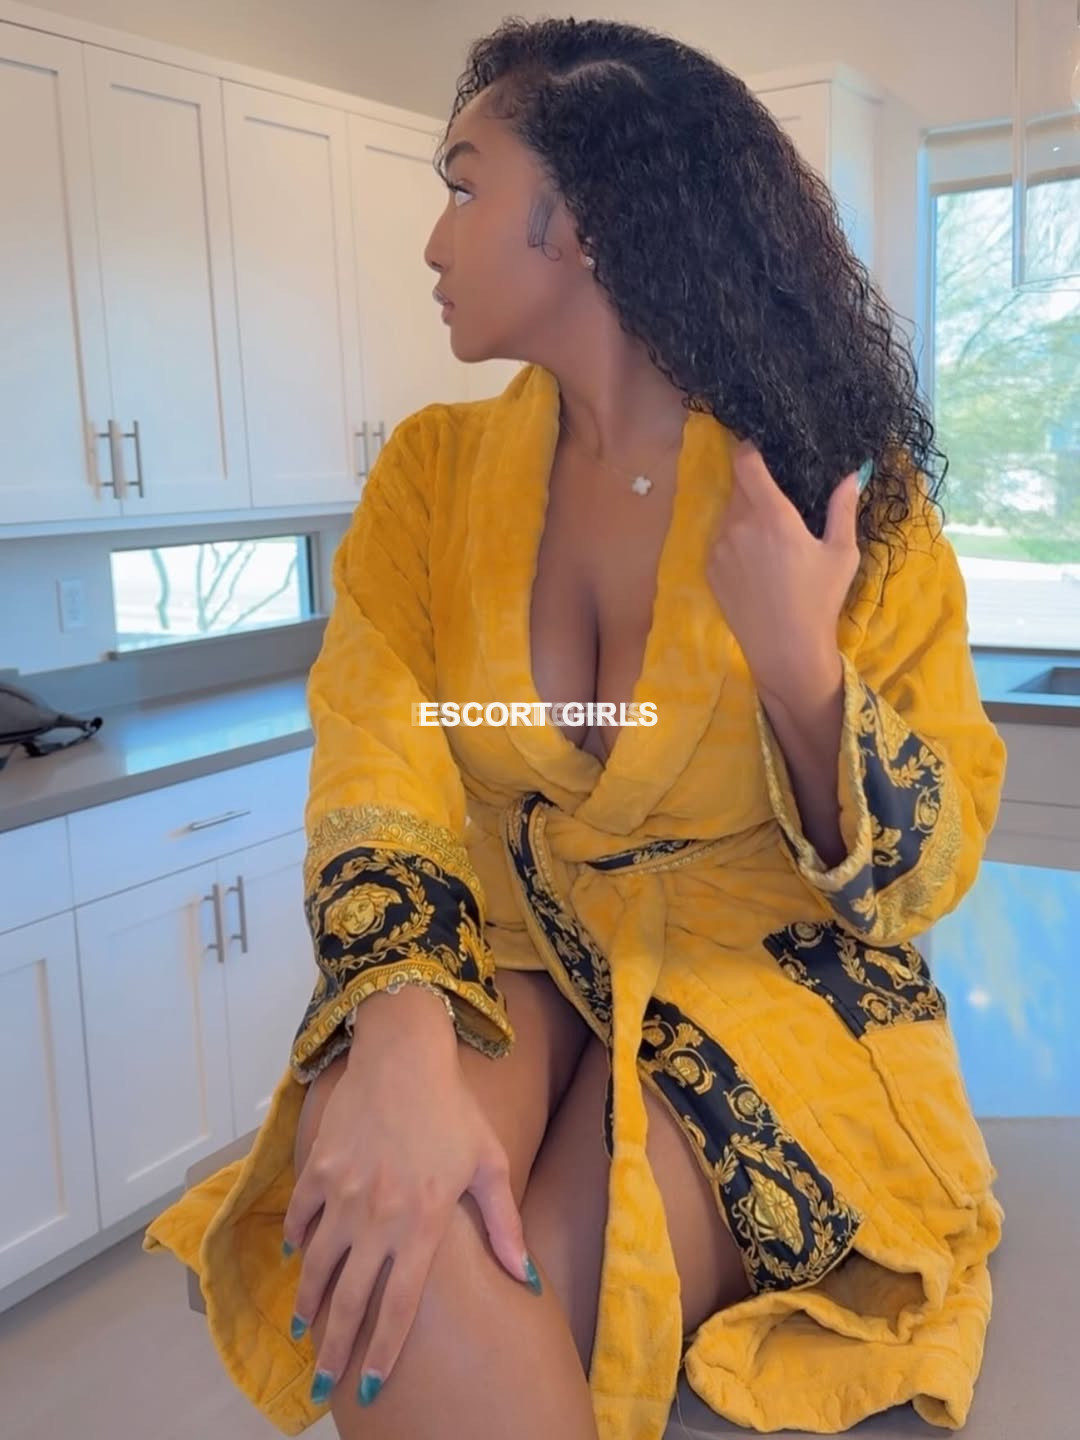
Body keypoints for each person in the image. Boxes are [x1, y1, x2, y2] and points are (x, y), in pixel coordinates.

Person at [145, 16, 1007, 1440]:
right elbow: (377, 758)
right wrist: (395, 1041)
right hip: (507, 950)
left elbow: (928, 874)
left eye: (463, 185)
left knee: (524, 1269)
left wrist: (799, 666)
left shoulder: (837, 491)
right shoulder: (430, 480)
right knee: (393, 1251)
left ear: (588, 218)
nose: (433, 240)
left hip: (761, 984)